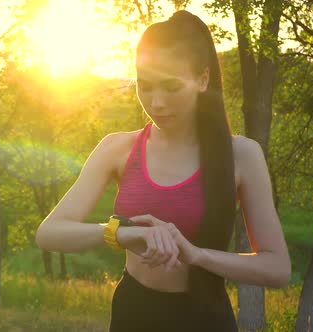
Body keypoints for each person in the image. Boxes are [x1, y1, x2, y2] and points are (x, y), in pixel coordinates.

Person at [34, 10, 291, 332]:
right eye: (145, 86)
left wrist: (197, 255)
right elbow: (49, 233)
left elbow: (277, 267)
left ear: (203, 79)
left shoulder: (241, 155)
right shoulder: (118, 149)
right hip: (133, 312)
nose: (156, 102)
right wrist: (122, 233)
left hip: (205, 318)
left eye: (171, 87)